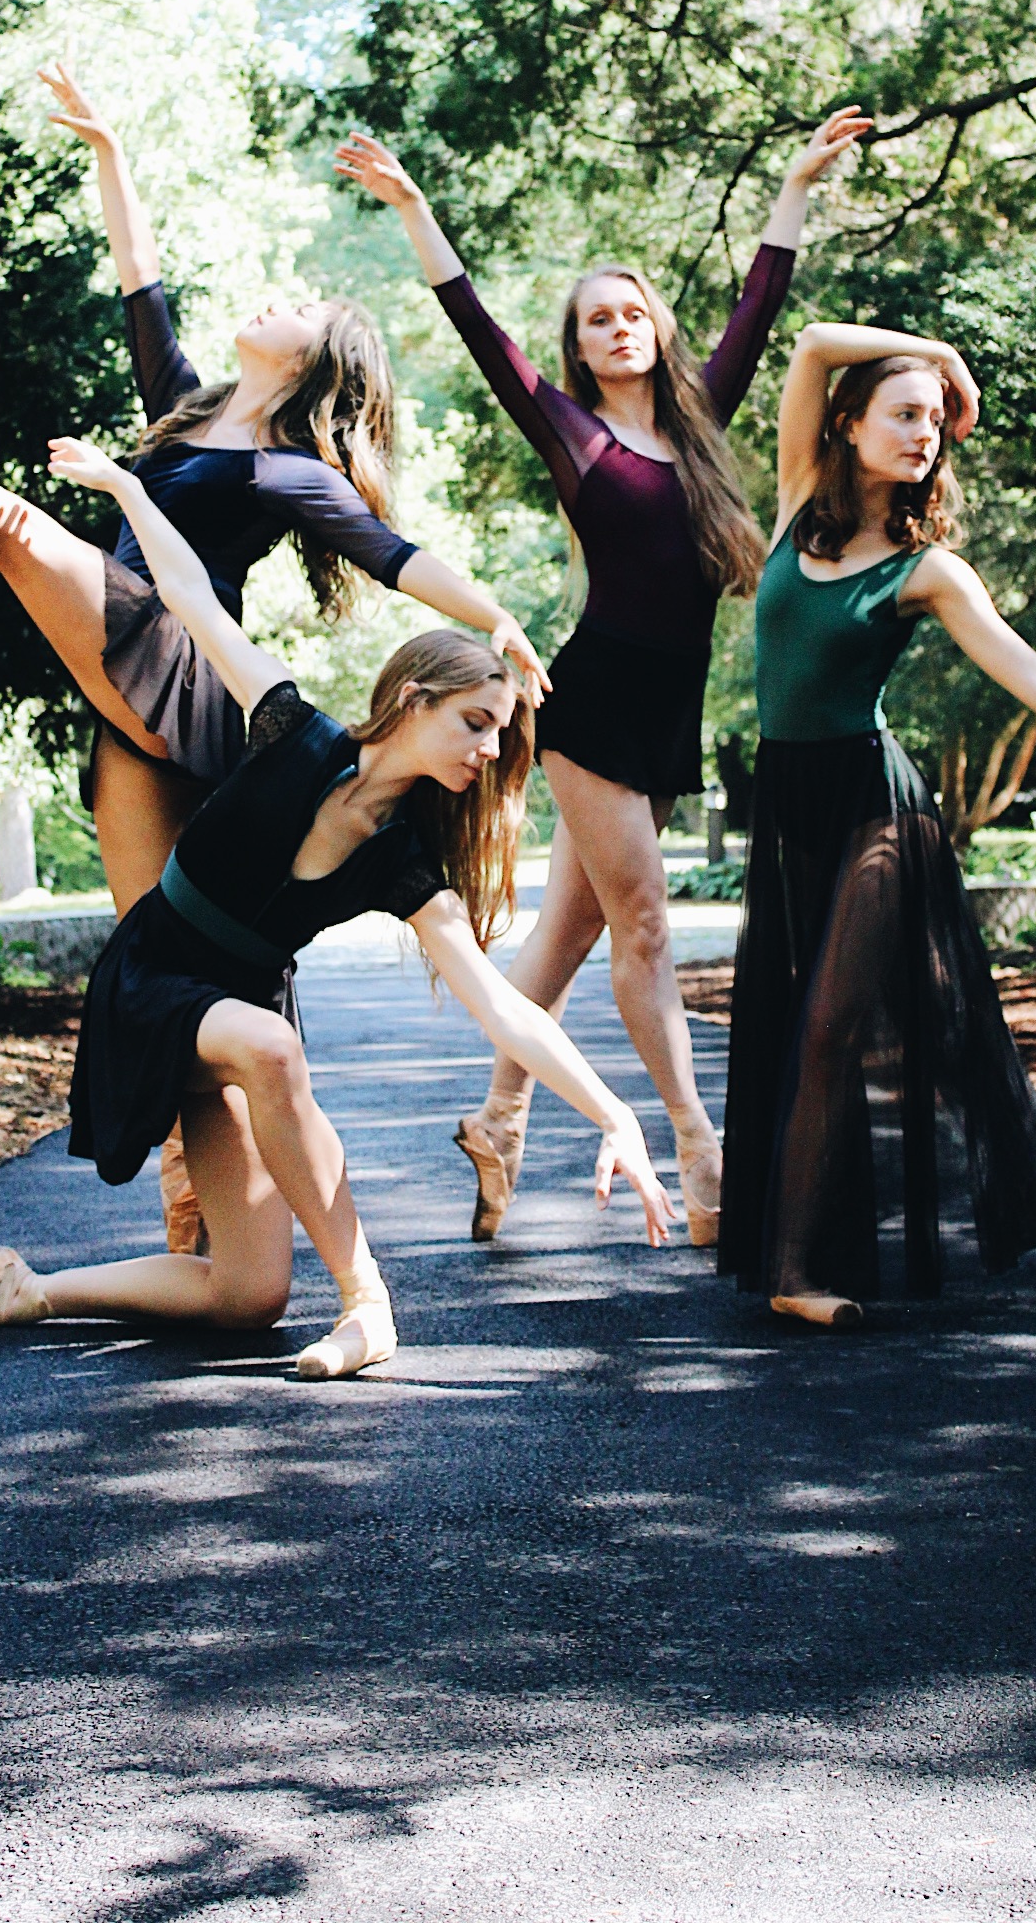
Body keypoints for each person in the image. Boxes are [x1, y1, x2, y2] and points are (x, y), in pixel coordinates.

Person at [0, 62, 542, 1248]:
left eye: (303, 305)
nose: (279, 298)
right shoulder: (185, 410)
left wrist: (495, 618)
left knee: (9, 526)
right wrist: (112, 154)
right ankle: (202, 1217)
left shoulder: (289, 470)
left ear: (320, 361)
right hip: (139, 697)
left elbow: (396, 555)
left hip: (182, 667)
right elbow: (143, 278)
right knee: (171, 962)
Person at [0, 435, 673, 1378]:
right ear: (412, 699)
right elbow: (191, 599)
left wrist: (616, 1115)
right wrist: (128, 489)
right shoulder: (295, 730)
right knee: (272, 1047)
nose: (491, 751)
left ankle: (22, 1291)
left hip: (241, 1015)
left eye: (501, 735)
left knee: (246, 1295)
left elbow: (503, 1009)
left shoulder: (403, 864)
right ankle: (369, 1304)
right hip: (153, 981)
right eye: (476, 722)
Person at [337, 113, 871, 1250]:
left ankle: (498, 1121)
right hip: (592, 707)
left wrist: (794, 184)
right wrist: (416, 210)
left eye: (633, 313)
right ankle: (698, 1147)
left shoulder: (702, 424)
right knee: (647, 928)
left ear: (656, 329)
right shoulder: (573, 434)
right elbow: (477, 328)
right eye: (597, 320)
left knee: (569, 939)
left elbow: (760, 303)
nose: (619, 328)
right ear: (578, 350)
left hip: (667, 713)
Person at [720, 316, 1036, 1328]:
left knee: (830, 1023)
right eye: (904, 414)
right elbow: (814, 341)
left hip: (875, 807)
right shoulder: (795, 504)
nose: (924, 433)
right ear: (849, 425)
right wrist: (945, 357)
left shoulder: (927, 571)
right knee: (946, 1017)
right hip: (790, 804)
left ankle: (794, 1271)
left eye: (935, 419)